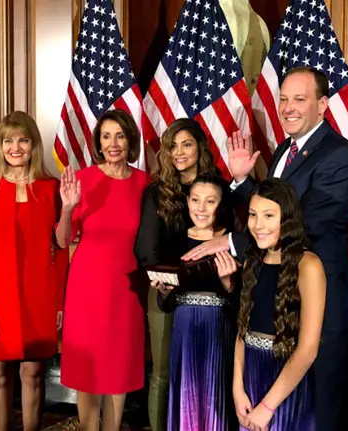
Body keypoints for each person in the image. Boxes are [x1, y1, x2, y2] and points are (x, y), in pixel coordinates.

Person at [184, 66, 348, 430]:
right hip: (273, 304)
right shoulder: (286, 149)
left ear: (323, 104)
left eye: (299, 99)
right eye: (283, 99)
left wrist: (232, 241)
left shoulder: (339, 156)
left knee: (315, 417)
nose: (288, 107)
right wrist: (241, 180)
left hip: (317, 308)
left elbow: (303, 225)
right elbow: (271, 212)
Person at [0, 111, 68, 431]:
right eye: (8, 140)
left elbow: (61, 250)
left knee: (33, 373)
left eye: (22, 140)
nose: (15, 147)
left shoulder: (51, 188)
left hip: (39, 296)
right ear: (0, 145)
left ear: (34, 145)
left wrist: (60, 302)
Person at [56, 109, 150, 431]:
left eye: (120, 136)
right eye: (106, 136)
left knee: (118, 370)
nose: (113, 144)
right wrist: (68, 209)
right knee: (88, 370)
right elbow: (62, 239)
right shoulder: (83, 180)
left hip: (126, 289)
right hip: (87, 286)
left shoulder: (144, 184)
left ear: (130, 141)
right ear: (98, 142)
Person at [134, 118, 220, 431]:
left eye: (186, 144)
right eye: (172, 146)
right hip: (166, 291)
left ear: (200, 147)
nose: (179, 152)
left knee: (207, 373)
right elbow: (146, 248)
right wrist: (162, 281)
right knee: (163, 372)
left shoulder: (216, 187)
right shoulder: (157, 193)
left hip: (212, 294)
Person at [234, 178, 325, 431]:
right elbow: (242, 331)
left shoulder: (309, 265)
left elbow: (308, 349)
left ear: (287, 217)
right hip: (250, 377)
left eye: (268, 216)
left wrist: (268, 406)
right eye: (252, 215)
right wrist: (237, 388)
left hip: (285, 382)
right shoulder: (253, 260)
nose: (258, 225)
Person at [153, 174, 239, 431]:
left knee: (216, 396)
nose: (201, 208)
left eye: (210, 201)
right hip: (184, 329)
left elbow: (245, 302)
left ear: (221, 205)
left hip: (218, 329)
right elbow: (164, 303)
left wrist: (228, 283)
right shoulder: (175, 239)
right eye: (195, 200)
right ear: (187, 202)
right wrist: (165, 291)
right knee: (186, 394)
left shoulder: (231, 241)